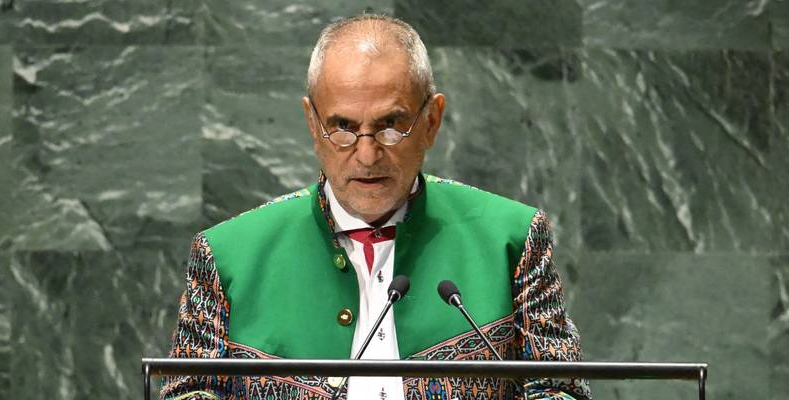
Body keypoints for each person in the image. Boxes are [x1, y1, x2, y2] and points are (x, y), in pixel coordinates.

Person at [161, 14, 590, 400]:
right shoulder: (226, 256)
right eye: (343, 128)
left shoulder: (512, 239)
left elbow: (560, 389)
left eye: (390, 126)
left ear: (432, 121)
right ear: (313, 125)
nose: (366, 156)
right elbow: (188, 393)